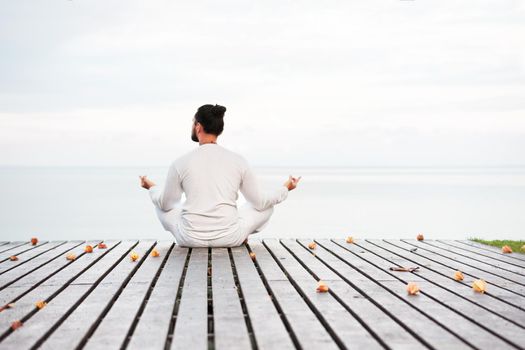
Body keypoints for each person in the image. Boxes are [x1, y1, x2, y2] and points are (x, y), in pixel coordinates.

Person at [139, 104, 301, 247]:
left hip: (189, 238)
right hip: (230, 237)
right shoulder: (238, 161)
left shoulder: (180, 163)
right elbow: (260, 202)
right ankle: (241, 233)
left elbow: (167, 204)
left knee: (160, 205)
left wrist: (151, 188)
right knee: (266, 206)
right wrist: (286, 188)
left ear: (198, 127)